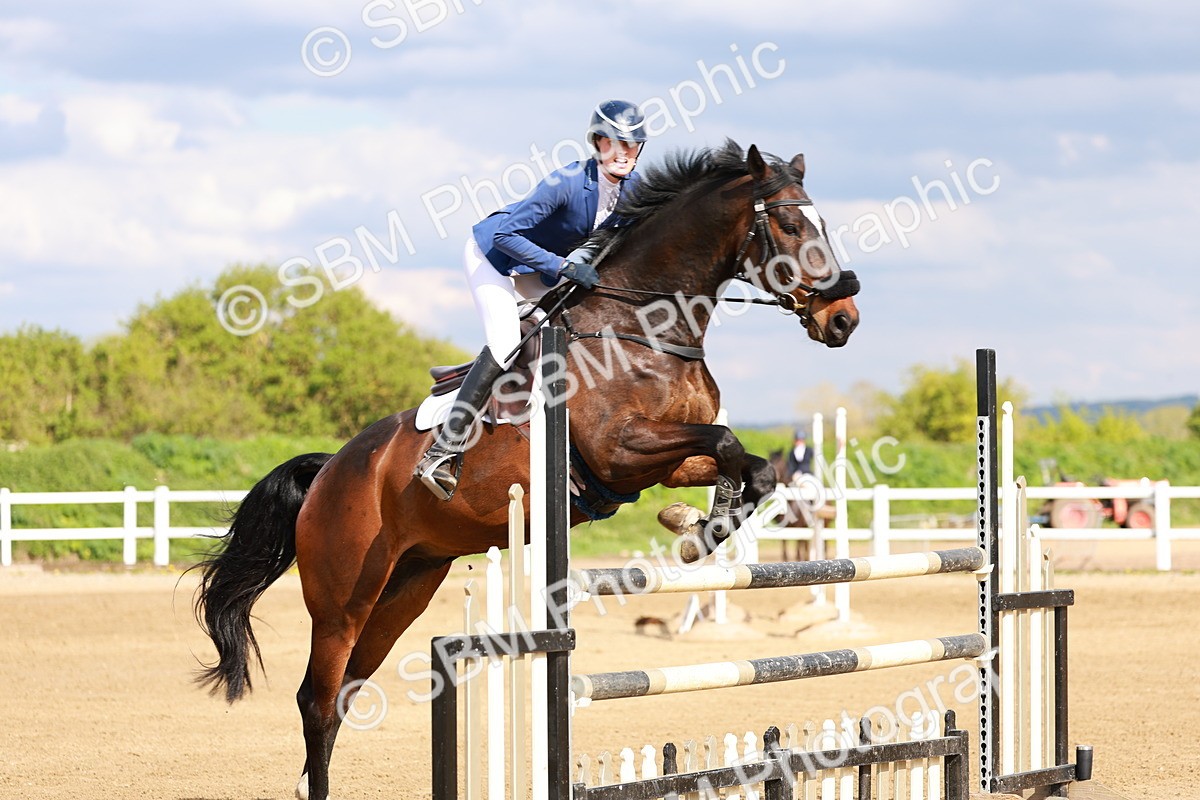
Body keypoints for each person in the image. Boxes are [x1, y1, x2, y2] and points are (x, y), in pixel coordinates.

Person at [416, 100, 649, 500]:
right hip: (494, 258)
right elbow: (507, 235)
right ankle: (444, 448)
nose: (624, 155)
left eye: (632, 146)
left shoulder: (635, 190)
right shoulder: (568, 182)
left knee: (579, 330)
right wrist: (563, 266)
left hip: (539, 270)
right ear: (597, 142)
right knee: (506, 342)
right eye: (616, 144)